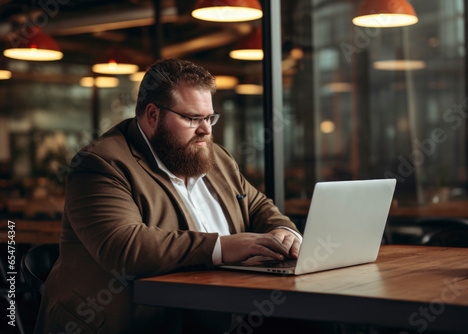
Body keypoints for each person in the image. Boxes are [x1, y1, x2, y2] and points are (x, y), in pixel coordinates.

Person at [35, 58, 302, 334]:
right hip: (129, 325)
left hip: (220, 315)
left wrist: (281, 230)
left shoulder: (216, 156)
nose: (206, 129)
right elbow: (125, 247)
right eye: (192, 118)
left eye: (210, 117)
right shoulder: (100, 164)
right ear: (153, 115)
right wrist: (224, 247)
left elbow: (256, 204)